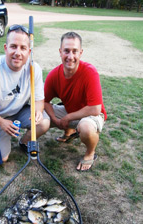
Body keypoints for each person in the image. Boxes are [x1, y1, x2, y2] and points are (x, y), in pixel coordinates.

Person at [0, 24, 49, 172]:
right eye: (13, 46)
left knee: (43, 122)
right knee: (2, 158)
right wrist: (1, 122)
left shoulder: (34, 68)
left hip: (19, 111)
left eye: (23, 48)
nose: (18, 53)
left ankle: (24, 142)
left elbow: (38, 99)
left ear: (29, 51)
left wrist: (38, 111)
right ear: (6, 48)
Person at [44, 31, 107, 171]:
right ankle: (69, 133)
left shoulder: (90, 72)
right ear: (60, 52)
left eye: (75, 51)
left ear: (81, 53)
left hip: (91, 115)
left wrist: (67, 117)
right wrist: (55, 118)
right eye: (66, 51)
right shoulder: (54, 75)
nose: (70, 56)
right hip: (70, 110)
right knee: (39, 113)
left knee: (86, 128)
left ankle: (90, 153)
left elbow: (95, 109)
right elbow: (44, 101)